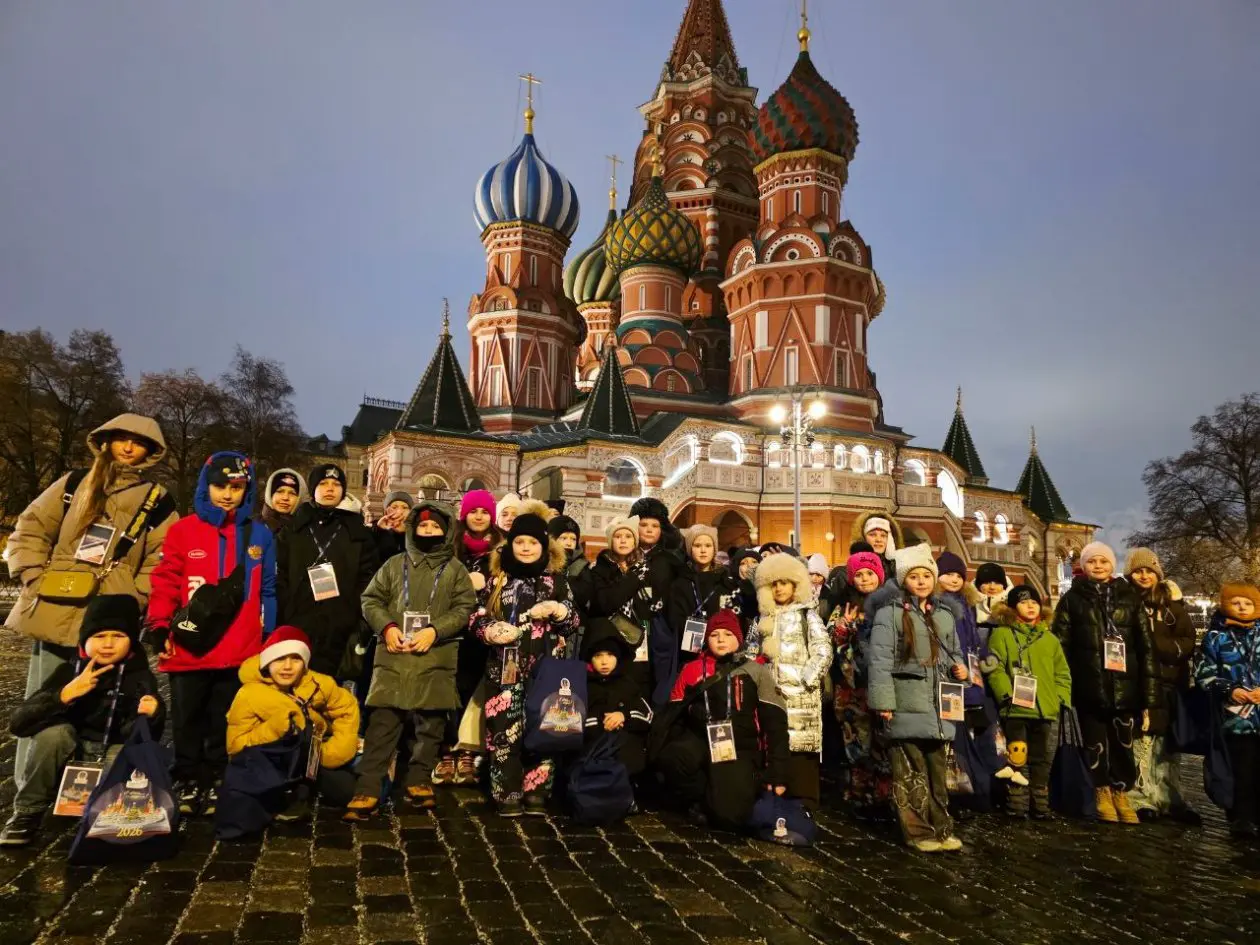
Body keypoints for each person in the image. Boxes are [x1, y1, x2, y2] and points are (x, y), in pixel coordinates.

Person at [4, 414, 176, 793]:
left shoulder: (156, 499)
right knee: (44, 698)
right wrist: (34, 576)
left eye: (138, 442)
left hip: (112, 612)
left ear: (150, 450)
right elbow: (30, 529)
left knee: (111, 700)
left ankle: (92, 785)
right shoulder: (74, 483)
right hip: (57, 605)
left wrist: (136, 598)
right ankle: (28, 788)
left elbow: (161, 559)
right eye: (121, 439)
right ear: (107, 441)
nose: (129, 448)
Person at [146, 451, 277, 816]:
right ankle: (187, 775)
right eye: (220, 485)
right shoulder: (182, 530)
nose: (228, 494)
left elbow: (267, 589)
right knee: (187, 719)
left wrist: (268, 636)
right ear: (207, 486)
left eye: (236, 487)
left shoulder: (260, 534)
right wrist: (158, 625)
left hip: (238, 646)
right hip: (190, 645)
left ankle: (220, 773)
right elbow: (166, 580)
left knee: (225, 715)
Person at [0, 595, 163, 847]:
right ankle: (27, 813)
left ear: (131, 641)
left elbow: (145, 738)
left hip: (111, 754)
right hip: (72, 754)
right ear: (84, 639)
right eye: (99, 636)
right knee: (52, 736)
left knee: (125, 753)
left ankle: (109, 815)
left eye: (118, 636)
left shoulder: (140, 677)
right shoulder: (68, 671)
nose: (108, 644)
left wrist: (152, 715)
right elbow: (19, 725)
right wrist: (63, 695)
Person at [346, 502, 476, 819]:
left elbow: (463, 608)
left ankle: (419, 780)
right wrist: (387, 627)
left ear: (446, 533)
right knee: (383, 724)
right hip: (395, 652)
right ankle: (368, 787)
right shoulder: (394, 565)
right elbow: (371, 599)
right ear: (412, 529)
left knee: (430, 726)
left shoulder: (456, 570)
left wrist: (435, 631)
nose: (429, 532)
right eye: (423, 527)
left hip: (435, 653)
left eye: (435, 528)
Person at [471, 512, 578, 816]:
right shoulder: (497, 577)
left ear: (544, 546)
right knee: (503, 731)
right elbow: (475, 614)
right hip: (504, 667)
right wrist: (488, 630)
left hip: (547, 668)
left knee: (547, 726)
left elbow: (573, 620)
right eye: (520, 541)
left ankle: (537, 791)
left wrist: (560, 612)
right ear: (510, 544)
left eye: (533, 542)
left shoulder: (556, 580)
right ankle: (506, 793)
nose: (526, 547)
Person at [867, 544, 968, 852]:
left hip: (939, 706)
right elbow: (880, 660)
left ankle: (941, 827)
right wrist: (884, 702)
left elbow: (955, 653)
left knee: (938, 772)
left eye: (927, 575)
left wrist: (960, 670)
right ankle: (917, 831)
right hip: (907, 702)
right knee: (909, 772)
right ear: (903, 580)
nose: (922, 581)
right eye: (914, 576)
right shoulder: (890, 614)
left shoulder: (945, 615)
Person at [652, 609, 790, 830]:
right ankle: (700, 798)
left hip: (738, 747)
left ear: (738, 638)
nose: (721, 640)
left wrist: (778, 773)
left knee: (729, 817)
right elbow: (674, 714)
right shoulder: (691, 670)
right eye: (715, 635)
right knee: (673, 758)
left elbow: (776, 724)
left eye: (728, 634)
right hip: (699, 740)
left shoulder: (757, 671)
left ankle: (718, 798)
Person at [1052, 541, 1158, 825]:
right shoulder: (1072, 600)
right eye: (1092, 562)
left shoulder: (1129, 598)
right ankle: (1101, 791)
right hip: (1089, 686)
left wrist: (1148, 696)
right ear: (1083, 567)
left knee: (1123, 744)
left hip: (1125, 687)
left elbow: (1145, 647)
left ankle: (1122, 791)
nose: (1098, 566)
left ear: (1112, 564)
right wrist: (1064, 686)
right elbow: (1060, 646)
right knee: (1094, 743)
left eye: (1104, 561)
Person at [225, 626, 360, 822]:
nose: (287, 666)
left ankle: (305, 787)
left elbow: (347, 708)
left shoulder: (318, 683)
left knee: (347, 792)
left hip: (312, 756)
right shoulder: (248, 695)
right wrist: (276, 729)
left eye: (295, 659)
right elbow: (235, 745)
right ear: (267, 662)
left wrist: (334, 750)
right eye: (279, 659)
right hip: (271, 760)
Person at [745, 552, 832, 810]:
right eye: (774, 583)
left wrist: (806, 681)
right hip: (769, 695)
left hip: (800, 697)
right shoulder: (761, 621)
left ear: (796, 585)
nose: (780, 588)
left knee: (801, 750)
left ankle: (803, 802)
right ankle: (774, 802)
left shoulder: (808, 616)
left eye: (785, 582)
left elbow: (823, 650)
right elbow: (750, 654)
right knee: (774, 745)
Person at [275, 464, 379, 677]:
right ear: (313, 489)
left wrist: (352, 611)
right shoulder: (295, 527)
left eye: (336, 484)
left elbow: (368, 574)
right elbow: (281, 571)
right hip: (298, 620)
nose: (330, 489)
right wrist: (288, 607)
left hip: (341, 624)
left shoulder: (357, 529)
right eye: (323, 484)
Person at [1123, 548, 1200, 824]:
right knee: (1142, 741)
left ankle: (1171, 797)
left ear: (1158, 574)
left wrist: (1157, 646)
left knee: (1169, 743)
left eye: (1149, 570)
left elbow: (1187, 641)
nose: (1144, 576)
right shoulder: (1125, 603)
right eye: (1138, 570)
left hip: (1170, 684)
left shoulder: (1173, 606)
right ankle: (1141, 797)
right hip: (1139, 683)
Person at [984, 585, 1072, 819]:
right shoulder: (1002, 634)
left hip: (1045, 709)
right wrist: (1006, 695)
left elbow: (1062, 673)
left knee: (1042, 759)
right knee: (1017, 757)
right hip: (1016, 708)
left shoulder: (1050, 639)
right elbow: (995, 668)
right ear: (1013, 608)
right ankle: (1017, 802)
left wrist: (1060, 698)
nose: (1031, 606)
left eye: (1034, 602)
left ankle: (1040, 803)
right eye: (1024, 602)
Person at [437, 488, 503, 786]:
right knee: (448, 687)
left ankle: (466, 748)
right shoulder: (450, 546)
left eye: (485, 512)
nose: (479, 516)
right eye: (474, 511)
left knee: (474, 689)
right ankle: (446, 749)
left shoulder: (501, 548)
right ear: (464, 515)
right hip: (451, 628)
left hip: (485, 630)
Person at [827, 549, 893, 817]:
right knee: (857, 744)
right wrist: (844, 627)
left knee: (884, 744)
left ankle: (883, 797)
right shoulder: (846, 605)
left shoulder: (891, 605)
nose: (865, 579)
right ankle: (858, 794)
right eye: (859, 574)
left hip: (883, 683)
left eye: (870, 573)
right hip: (853, 688)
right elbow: (833, 638)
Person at [935, 551, 1002, 804]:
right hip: (951, 679)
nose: (953, 580)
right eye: (948, 574)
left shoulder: (968, 605)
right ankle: (961, 788)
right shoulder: (938, 604)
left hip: (970, 680)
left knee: (976, 733)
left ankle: (979, 785)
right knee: (956, 737)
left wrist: (985, 660)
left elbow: (973, 642)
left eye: (958, 575)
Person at [1196, 584, 1260, 838]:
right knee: (1242, 767)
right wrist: (1229, 689)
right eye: (1236, 602)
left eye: (1248, 603)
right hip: (1234, 717)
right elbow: (1204, 673)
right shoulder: (1215, 638)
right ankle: (1241, 817)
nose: (1242, 607)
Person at [629, 497, 686, 705]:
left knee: (662, 674)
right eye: (644, 524)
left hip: (661, 624)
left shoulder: (672, 561)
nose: (649, 530)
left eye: (655, 525)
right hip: (631, 623)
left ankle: (659, 717)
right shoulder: (625, 555)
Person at [582, 618, 654, 781]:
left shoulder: (627, 683)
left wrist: (624, 716)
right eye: (598, 655)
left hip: (625, 748)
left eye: (610, 655)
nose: (604, 661)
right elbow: (575, 721)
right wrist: (603, 721)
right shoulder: (584, 685)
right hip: (595, 749)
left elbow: (648, 715)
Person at [667, 525, 741, 669]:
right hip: (690, 654)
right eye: (697, 545)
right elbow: (676, 619)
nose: (702, 550)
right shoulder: (680, 583)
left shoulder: (726, 581)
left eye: (708, 545)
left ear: (714, 548)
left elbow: (733, 617)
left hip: (723, 653)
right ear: (689, 549)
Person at [259, 468, 307, 535]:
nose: (285, 498)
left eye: (292, 493)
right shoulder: (250, 526)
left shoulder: (307, 531)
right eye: (280, 491)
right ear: (269, 494)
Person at [373, 490, 415, 562]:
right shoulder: (377, 531)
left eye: (405, 507)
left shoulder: (417, 533)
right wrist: (379, 530)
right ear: (386, 511)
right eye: (394, 507)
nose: (399, 511)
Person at [974, 563, 1013, 635]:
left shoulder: (1012, 605)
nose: (992, 587)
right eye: (987, 582)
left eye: (997, 583)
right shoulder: (969, 604)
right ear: (978, 585)